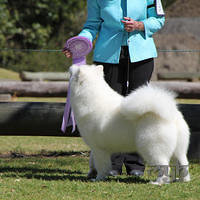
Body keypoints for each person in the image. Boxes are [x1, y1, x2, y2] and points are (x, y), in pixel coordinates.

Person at [63, 0, 165, 177]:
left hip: (142, 56)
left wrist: (140, 25)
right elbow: (91, 25)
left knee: (138, 109)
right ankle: (112, 165)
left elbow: (158, 20)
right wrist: (78, 44)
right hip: (107, 58)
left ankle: (136, 165)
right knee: (109, 112)